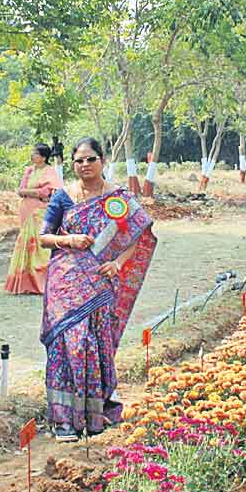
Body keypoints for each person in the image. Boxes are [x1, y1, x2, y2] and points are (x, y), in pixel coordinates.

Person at [38, 137, 156, 441]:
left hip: (100, 282)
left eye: (90, 159)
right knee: (68, 344)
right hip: (65, 281)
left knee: (96, 343)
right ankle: (64, 419)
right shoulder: (62, 197)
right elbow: (44, 237)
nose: (84, 165)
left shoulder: (118, 198)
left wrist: (118, 262)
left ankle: (96, 411)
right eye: (79, 161)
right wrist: (69, 240)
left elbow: (137, 235)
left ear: (102, 160)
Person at [4, 143, 63, 295]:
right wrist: (33, 192)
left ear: (43, 157)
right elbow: (20, 190)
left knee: (39, 246)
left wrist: (29, 192)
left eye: (35, 153)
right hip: (26, 211)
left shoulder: (49, 171)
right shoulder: (29, 170)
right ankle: (26, 283)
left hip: (40, 212)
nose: (32, 155)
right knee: (25, 244)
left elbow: (47, 192)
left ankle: (42, 283)